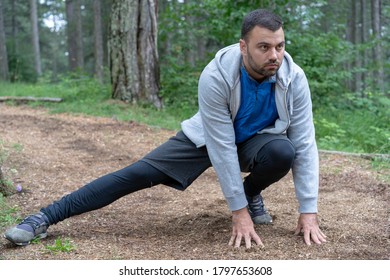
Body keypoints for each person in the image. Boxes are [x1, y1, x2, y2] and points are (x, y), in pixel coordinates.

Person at [4, 9, 326, 249]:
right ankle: (44, 217)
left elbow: (304, 142)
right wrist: (237, 212)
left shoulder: (293, 77)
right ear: (244, 47)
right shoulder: (215, 76)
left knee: (285, 150)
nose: (275, 56)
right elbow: (221, 147)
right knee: (136, 174)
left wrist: (308, 210)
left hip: (259, 141)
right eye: (264, 47)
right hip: (207, 137)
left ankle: (251, 191)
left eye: (280, 46)